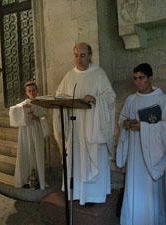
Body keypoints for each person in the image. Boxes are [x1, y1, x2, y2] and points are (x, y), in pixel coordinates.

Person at [53, 42, 116, 205]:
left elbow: (110, 97)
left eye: (82, 56)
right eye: (75, 56)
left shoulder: (99, 74)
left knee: (93, 158)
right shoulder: (69, 75)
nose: (78, 60)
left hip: (93, 127)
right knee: (76, 160)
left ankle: (94, 195)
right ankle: (76, 194)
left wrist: (96, 99)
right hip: (75, 128)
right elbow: (59, 95)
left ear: (90, 56)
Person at [116, 63, 166, 225]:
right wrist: (126, 124)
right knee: (136, 189)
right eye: (135, 79)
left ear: (150, 78)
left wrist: (143, 127)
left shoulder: (163, 100)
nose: (137, 82)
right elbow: (122, 119)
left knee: (152, 191)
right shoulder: (131, 100)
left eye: (141, 78)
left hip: (154, 157)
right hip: (136, 154)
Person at [9, 81, 48, 190]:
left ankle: (39, 180)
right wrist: (22, 109)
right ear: (26, 93)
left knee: (37, 154)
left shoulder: (42, 103)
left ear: (37, 91)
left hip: (37, 131)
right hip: (25, 133)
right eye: (29, 91)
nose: (32, 92)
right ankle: (24, 179)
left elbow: (47, 119)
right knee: (25, 153)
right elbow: (13, 111)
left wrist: (37, 118)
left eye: (34, 90)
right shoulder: (24, 103)